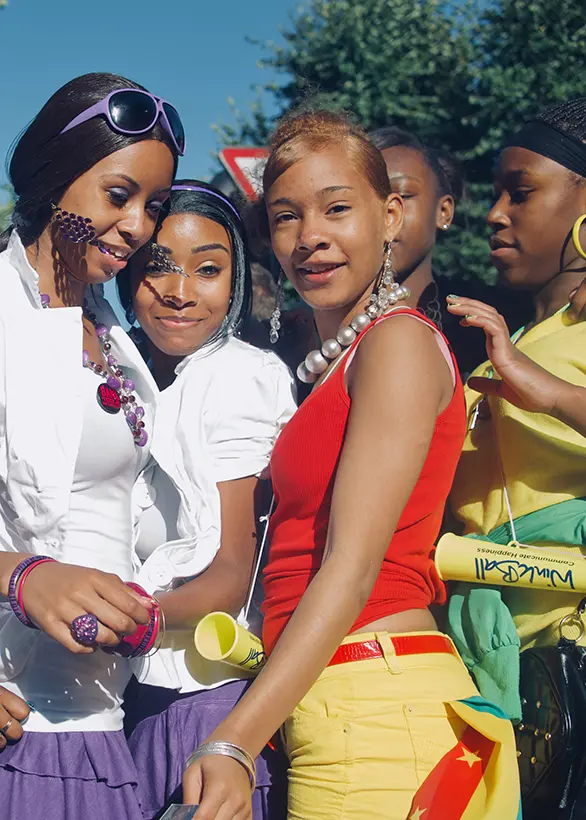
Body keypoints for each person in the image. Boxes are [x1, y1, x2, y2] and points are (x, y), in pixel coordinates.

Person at [181, 110, 520, 820]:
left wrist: (236, 741)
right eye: (285, 217)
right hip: (343, 702)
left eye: (337, 208)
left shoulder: (396, 344)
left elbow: (353, 565)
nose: (311, 237)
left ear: (390, 215)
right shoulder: (346, 361)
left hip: (376, 704)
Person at [0, 72, 182, 819]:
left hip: (107, 728)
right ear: (54, 177)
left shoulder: (114, 338)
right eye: (118, 195)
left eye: (155, 207)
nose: (139, 225)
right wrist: (19, 575)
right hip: (17, 726)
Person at [116, 181, 296, 819]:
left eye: (209, 270)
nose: (180, 291)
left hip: (205, 705)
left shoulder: (240, 378)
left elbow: (227, 576)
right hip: (138, 702)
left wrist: (109, 623)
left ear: (238, 280)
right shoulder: (131, 374)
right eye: (157, 267)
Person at [445, 98, 586, 815]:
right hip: (505, 666)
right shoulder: (526, 336)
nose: (495, 213)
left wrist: (549, 392)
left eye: (521, 191)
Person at [369, 126, 532, 377]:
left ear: (443, 211)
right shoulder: (312, 332)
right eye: (364, 201)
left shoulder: (490, 326)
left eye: (401, 195)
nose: (385, 215)